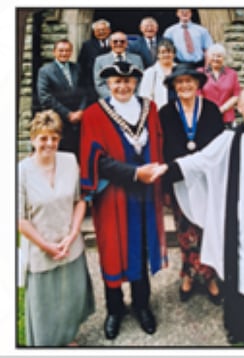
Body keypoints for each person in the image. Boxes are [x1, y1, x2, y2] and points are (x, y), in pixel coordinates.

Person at [155, 86, 244, 347]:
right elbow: (200, 162)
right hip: (240, 226)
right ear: (239, 109)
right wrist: (165, 170)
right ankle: (240, 330)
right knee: (241, 277)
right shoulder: (228, 141)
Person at [80, 61, 167, 340]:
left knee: (140, 247)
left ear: (135, 83)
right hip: (112, 194)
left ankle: (142, 305)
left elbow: (159, 142)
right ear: (108, 83)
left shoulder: (149, 108)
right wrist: (133, 173)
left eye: (128, 81)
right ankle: (114, 309)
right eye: (116, 81)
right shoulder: (94, 114)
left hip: (144, 194)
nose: (122, 86)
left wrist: (152, 175)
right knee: (112, 248)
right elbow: (97, 161)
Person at [18, 110, 95, 346]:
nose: (49, 144)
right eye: (43, 138)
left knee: (70, 298)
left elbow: (79, 200)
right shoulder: (20, 171)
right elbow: (19, 218)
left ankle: (68, 337)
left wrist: (73, 235)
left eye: (53, 138)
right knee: (45, 306)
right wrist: (46, 246)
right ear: (33, 139)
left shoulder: (70, 161)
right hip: (41, 249)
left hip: (70, 244)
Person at [159, 63, 224, 304]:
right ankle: (187, 273)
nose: (185, 85)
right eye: (180, 82)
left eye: (189, 81)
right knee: (186, 231)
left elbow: (219, 149)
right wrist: (165, 187)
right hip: (179, 182)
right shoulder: (165, 113)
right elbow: (161, 151)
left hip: (207, 181)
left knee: (208, 229)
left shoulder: (211, 110)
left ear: (197, 84)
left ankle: (209, 277)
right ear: (174, 86)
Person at [37, 38, 87, 160]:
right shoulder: (45, 71)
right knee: (60, 157)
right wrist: (68, 114)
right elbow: (45, 97)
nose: (64, 53)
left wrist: (81, 111)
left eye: (67, 50)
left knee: (78, 156)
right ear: (54, 52)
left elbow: (86, 91)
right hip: (59, 120)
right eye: (61, 51)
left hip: (79, 121)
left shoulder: (78, 68)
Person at [198, 43, 241, 128]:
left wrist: (222, 109)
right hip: (206, 116)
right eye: (213, 56)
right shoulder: (200, 72)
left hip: (227, 117)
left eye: (219, 56)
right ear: (208, 57)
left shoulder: (232, 74)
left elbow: (236, 95)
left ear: (223, 58)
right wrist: (210, 110)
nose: (216, 59)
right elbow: (198, 94)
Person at [93, 31, 144, 98]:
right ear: (110, 43)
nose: (119, 44)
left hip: (132, 99)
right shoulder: (100, 60)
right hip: (109, 101)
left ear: (126, 44)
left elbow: (141, 81)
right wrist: (114, 98)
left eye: (122, 41)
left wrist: (132, 97)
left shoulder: (137, 59)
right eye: (115, 41)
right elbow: (99, 84)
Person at [77, 19, 112, 105]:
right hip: (92, 86)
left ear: (109, 30)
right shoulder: (87, 45)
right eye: (98, 30)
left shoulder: (116, 42)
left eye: (103, 29)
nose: (101, 32)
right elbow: (82, 65)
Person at [138, 38, 177, 110]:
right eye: (162, 52)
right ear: (158, 55)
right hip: (159, 111)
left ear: (174, 54)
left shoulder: (180, 70)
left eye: (169, 52)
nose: (166, 55)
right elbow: (145, 96)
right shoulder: (150, 72)